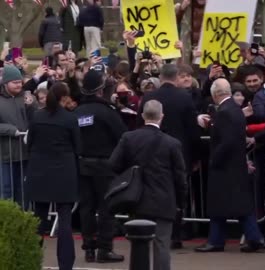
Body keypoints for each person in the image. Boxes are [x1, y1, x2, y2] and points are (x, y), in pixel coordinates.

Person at [109, 100, 188, 270]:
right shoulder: (172, 143)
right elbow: (180, 177)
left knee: (139, 244)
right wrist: (181, 202)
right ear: (162, 116)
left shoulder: (129, 138)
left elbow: (114, 164)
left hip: (137, 198)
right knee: (162, 246)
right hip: (164, 199)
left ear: (143, 115)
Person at [195, 78, 263, 253]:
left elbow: (227, 140)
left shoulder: (225, 111)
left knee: (222, 204)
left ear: (215, 94)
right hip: (235, 163)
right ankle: (250, 237)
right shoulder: (234, 109)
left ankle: (219, 240)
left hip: (225, 164)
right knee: (237, 205)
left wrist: (214, 159)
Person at [138, 64, 201, 249]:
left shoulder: (149, 97)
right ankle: (175, 233)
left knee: (151, 190)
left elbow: (139, 124)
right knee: (178, 192)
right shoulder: (184, 97)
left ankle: (150, 229)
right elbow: (192, 130)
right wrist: (196, 156)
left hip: (150, 152)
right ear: (175, 78)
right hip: (179, 152)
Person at [73, 69, 127, 263]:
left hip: (83, 165)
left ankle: (88, 248)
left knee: (86, 208)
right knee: (106, 208)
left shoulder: (77, 112)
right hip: (105, 166)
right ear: (100, 89)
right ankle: (105, 249)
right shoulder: (107, 112)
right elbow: (122, 136)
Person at [25, 82, 80, 270]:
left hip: (40, 171)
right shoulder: (70, 119)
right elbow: (77, 146)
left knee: (38, 219)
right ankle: (65, 265)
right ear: (64, 97)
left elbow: (30, 141)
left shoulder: (37, 116)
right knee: (65, 221)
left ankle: (31, 260)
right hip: (64, 172)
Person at [0, 65, 37, 207]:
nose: (19, 85)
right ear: (6, 83)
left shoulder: (27, 98)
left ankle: (24, 221)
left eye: (20, 82)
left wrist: (32, 106)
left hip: (24, 153)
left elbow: (36, 120)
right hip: (5, 154)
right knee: (6, 190)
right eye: (15, 82)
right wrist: (11, 130)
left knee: (23, 190)